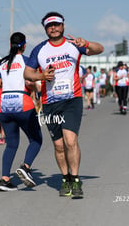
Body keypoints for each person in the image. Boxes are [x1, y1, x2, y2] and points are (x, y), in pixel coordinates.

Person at [24, 12, 104, 198]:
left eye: (57, 24)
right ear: (45, 29)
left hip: (72, 100)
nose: (53, 28)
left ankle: (75, 180)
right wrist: (41, 76)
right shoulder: (39, 50)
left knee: (70, 141)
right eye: (49, 26)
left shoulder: (73, 45)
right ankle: (65, 178)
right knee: (59, 146)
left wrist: (86, 44)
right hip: (50, 102)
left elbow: (100, 48)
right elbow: (28, 74)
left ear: (63, 26)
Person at [0, 32, 43, 191]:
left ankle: (5, 179)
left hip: (5, 105)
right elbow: (32, 82)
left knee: (11, 144)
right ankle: (26, 167)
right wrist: (33, 87)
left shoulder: (3, 63)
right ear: (25, 45)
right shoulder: (27, 61)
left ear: (10, 45)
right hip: (23, 103)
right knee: (36, 139)